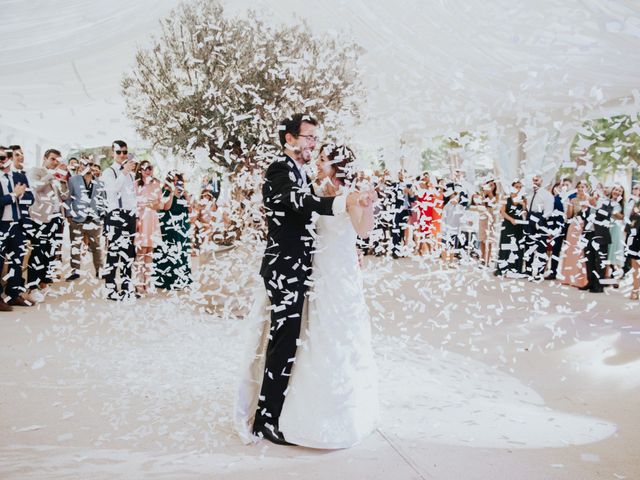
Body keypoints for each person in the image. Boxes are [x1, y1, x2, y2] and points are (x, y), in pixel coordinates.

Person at [235, 114, 366, 446]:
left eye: (314, 138)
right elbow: (300, 203)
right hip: (284, 271)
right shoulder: (280, 170)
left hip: (298, 270)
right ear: (289, 139)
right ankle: (267, 420)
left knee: (289, 343)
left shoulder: (301, 172)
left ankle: (273, 413)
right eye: (308, 137)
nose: (312, 143)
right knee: (282, 344)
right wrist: (340, 203)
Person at [26, 149, 68, 301]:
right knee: (38, 251)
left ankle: (44, 284)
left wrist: (63, 181)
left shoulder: (56, 175)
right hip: (41, 217)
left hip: (56, 217)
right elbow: (35, 187)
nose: (55, 162)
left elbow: (64, 196)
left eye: (57, 160)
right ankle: (32, 287)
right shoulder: (35, 171)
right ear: (45, 158)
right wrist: (52, 173)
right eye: (53, 159)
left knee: (51, 253)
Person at [102, 140, 138, 301]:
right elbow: (113, 190)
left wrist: (135, 215)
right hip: (115, 215)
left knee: (129, 253)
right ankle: (110, 289)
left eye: (125, 152)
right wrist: (123, 172)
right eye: (119, 152)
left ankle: (126, 287)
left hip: (129, 215)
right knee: (114, 252)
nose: (122, 155)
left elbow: (131, 196)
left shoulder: (130, 174)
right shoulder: (108, 172)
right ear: (113, 153)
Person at [66, 158, 107, 281]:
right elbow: (69, 198)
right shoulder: (73, 180)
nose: (87, 167)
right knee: (75, 246)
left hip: (94, 220)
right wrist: (69, 215)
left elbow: (102, 201)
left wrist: (101, 216)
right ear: (81, 166)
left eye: (90, 164)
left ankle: (100, 270)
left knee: (97, 247)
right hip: (77, 219)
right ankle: (75, 271)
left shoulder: (100, 183)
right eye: (85, 164)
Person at [0, 146, 31, 309]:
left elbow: (30, 197)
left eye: (5, 157)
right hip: (1, 225)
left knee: (17, 260)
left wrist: (22, 194)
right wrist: (13, 195)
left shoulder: (19, 176)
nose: (2, 160)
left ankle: (14, 294)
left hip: (18, 224)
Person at [153, 171, 193, 290]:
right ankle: (169, 280)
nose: (176, 182)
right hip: (169, 226)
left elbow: (190, 210)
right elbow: (166, 207)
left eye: (178, 180)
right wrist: (172, 193)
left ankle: (182, 278)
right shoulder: (166, 192)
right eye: (173, 180)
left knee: (183, 251)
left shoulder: (183, 193)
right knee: (171, 251)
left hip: (182, 226)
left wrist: (186, 196)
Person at [134, 160, 162, 294]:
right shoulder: (135, 184)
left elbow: (160, 205)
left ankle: (148, 281)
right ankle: (139, 282)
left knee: (150, 250)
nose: (147, 170)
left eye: (149, 168)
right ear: (140, 170)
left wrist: (153, 205)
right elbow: (132, 203)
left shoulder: (157, 184)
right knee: (141, 251)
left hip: (152, 219)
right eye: (144, 168)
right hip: (140, 219)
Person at [580, 186, 613, 293]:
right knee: (589, 259)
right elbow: (583, 216)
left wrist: (596, 205)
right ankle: (590, 281)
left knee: (600, 261)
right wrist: (584, 209)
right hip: (588, 234)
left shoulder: (608, 202)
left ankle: (599, 285)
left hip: (600, 235)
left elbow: (606, 215)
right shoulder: (589, 202)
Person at [559, 180, 589, 288]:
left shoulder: (589, 200)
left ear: (587, 188)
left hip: (585, 227)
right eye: (579, 187)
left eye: (583, 187)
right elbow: (569, 215)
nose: (581, 189)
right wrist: (569, 204)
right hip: (574, 226)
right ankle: (568, 277)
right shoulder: (573, 199)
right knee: (571, 252)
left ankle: (580, 279)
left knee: (581, 253)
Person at [523, 175, 554, 280]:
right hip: (529, 218)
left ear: (542, 181)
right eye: (533, 180)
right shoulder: (529, 193)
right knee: (529, 244)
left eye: (537, 180)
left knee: (541, 246)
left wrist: (541, 220)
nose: (534, 181)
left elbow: (549, 210)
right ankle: (528, 271)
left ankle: (539, 273)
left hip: (541, 219)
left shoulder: (546, 194)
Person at [495, 180, 526, 276]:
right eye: (517, 186)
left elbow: (525, 214)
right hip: (508, 224)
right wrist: (511, 219)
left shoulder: (523, 199)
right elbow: (502, 212)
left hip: (519, 225)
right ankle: (503, 268)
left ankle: (515, 268)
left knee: (517, 245)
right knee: (505, 245)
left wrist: (524, 205)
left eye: (520, 187)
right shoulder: (506, 198)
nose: (518, 188)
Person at [606, 184, 626, 285]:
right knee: (607, 253)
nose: (617, 192)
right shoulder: (606, 201)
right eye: (616, 190)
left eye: (620, 191)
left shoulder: (622, 205)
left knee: (615, 253)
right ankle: (608, 278)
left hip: (615, 230)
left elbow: (622, 217)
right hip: (605, 229)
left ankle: (616, 279)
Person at [625, 196, 640, 300]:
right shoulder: (635, 216)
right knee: (635, 268)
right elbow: (628, 230)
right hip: (635, 243)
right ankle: (635, 289)